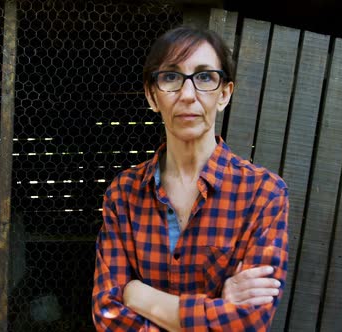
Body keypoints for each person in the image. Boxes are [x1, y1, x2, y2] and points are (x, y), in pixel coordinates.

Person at [92, 25, 289, 331]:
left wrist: (137, 294)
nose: (187, 95)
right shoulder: (124, 193)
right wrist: (217, 305)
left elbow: (250, 321)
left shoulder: (264, 193)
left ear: (224, 94)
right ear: (152, 95)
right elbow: (107, 313)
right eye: (170, 77)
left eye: (204, 77)